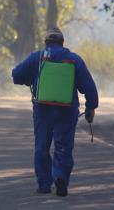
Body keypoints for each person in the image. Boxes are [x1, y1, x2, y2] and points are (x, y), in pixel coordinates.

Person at [12, 27, 98, 197]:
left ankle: (44, 184)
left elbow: (16, 75)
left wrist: (29, 79)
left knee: (42, 146)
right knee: (63, 146)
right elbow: (89, 87)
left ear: (46, 42)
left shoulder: (37, 57)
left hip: (43, 109)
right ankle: (60, 177)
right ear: (62, 42)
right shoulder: (74, 59)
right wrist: (90, 107)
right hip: (67, 109)